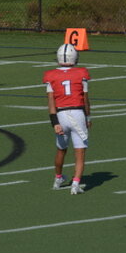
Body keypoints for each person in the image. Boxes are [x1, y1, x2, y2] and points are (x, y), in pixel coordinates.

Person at [42, 43, 91, 195]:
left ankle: (58, 179)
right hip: (78, 113)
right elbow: (85, 99)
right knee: (80, 152)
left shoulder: (51, 75)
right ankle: (75, 184)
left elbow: (51, 101)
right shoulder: (81, 72)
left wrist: (54, 122)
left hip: (61, 115)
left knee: (61, 149)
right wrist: (88, 116)